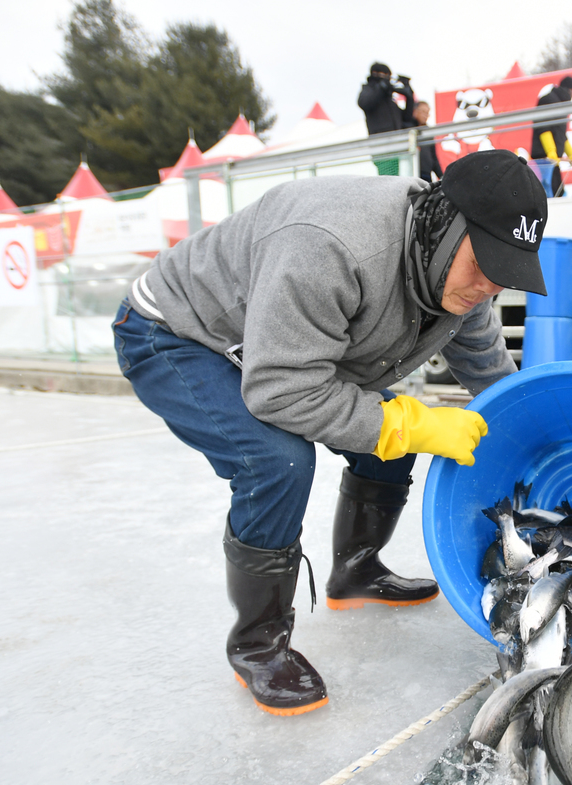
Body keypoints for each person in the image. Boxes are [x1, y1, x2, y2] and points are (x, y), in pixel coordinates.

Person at [112, 150, 548, 715]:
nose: (489, 286)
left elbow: (493, 376)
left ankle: (355, 570)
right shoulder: (331, 246)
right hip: (179, 332)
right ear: (445, 227)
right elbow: (281, 389)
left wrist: (541, 444)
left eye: (505, 273)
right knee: (277, 460)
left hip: (279, 345)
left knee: (393, 441)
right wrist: (408, 422)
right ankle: (258, 644)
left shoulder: (464, 284)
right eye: (483, 263)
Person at [358, 62, 417, 176]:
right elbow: (363, 102)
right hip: (382, 147)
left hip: (396, 147)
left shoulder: (390, 102)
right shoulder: (369, 91)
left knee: (394, 179)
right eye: (385, 75)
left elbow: (406, 118)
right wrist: (382, 88)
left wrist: (409, 97)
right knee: (387, 179)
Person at [530, 75, 572, 196]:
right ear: (571, 90)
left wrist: (571, 154)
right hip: (544, 159)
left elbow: (560, 134)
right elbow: (543, 127)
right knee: (548, 192)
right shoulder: (548, 100)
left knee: (558, 191)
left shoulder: (561, 104)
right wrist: (550, 151)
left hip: (553, 160)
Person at [411, 101, 442, 183]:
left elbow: (433, 157)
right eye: (423, 111)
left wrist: (442, 177)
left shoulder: (428, 132)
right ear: (415, 111)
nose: (425, 115)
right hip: (413, 173)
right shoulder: (408, 128)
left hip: (427, 173)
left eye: (427, 113)